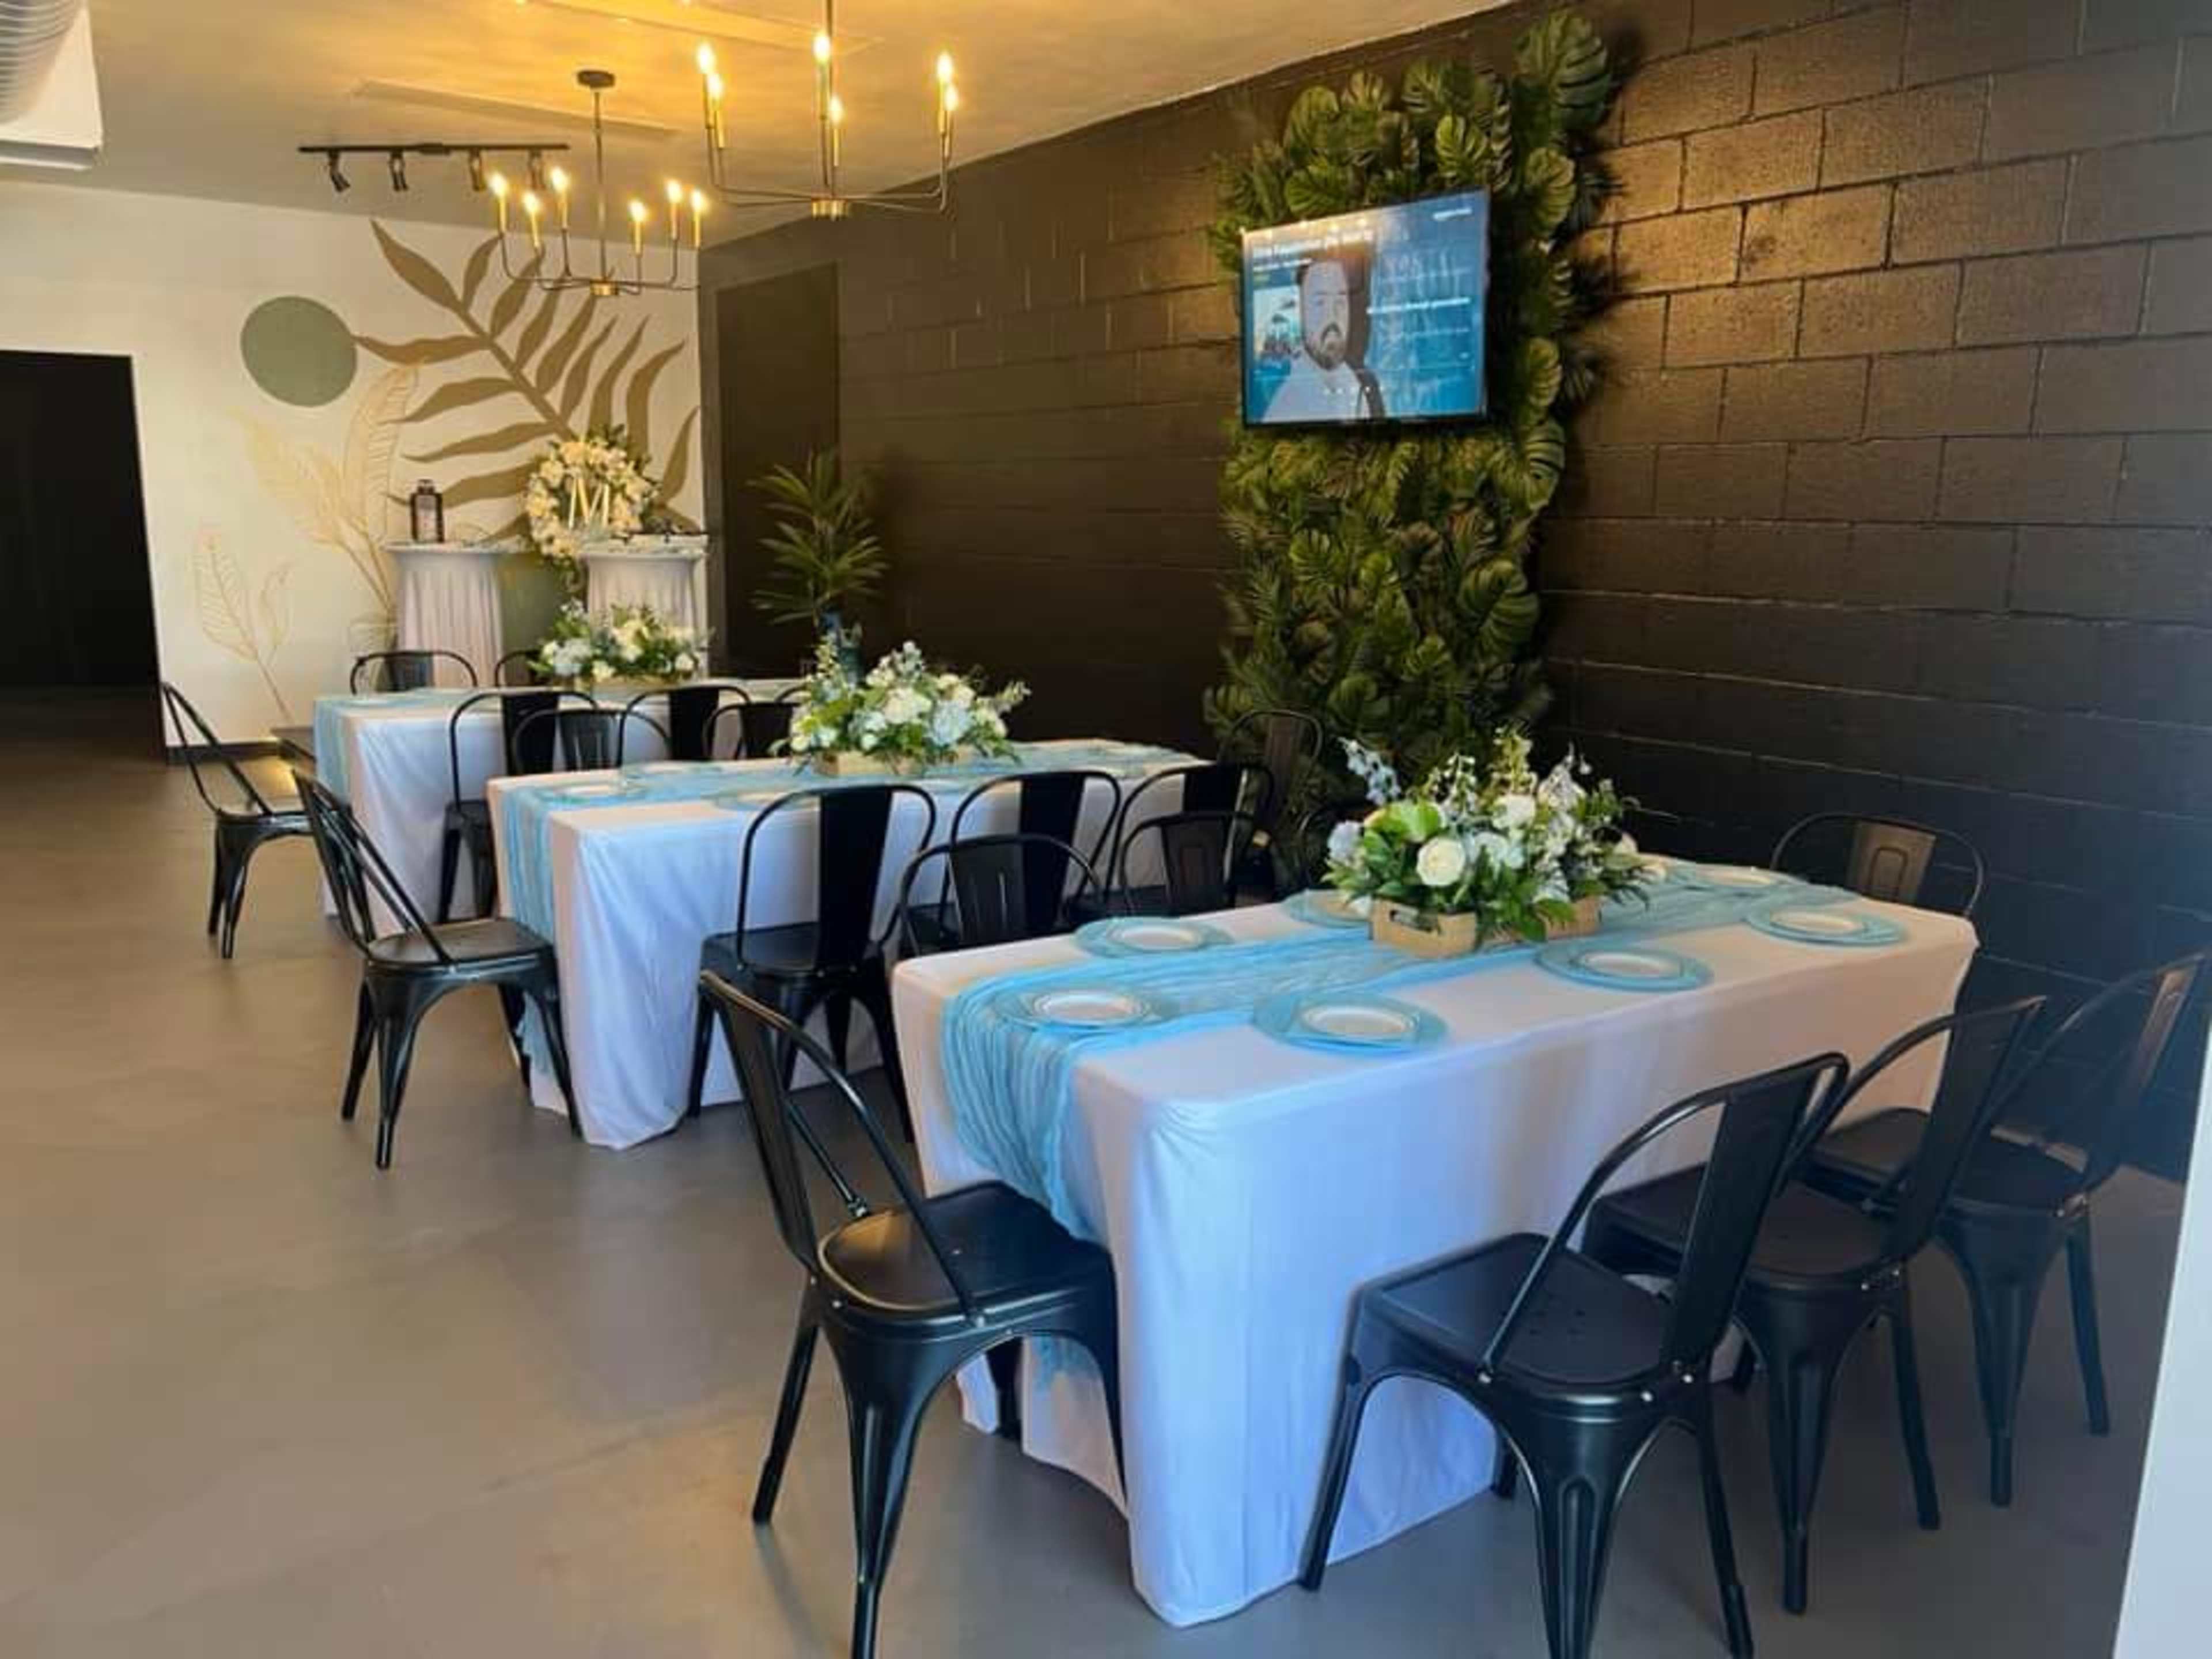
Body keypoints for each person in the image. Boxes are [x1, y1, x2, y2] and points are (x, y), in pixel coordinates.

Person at [1264, 247, 1386, 423]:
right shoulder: (1287, 406)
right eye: (1320, 303)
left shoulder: (1354, 381)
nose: (1332, 316)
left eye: (1340, 301)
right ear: (1301, 310)